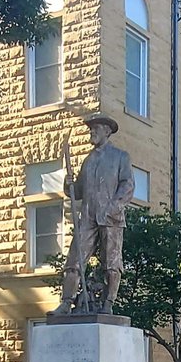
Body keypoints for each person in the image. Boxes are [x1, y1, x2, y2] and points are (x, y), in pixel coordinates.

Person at [53, 115, 134, 315]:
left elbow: (128, 185)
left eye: (96, 128)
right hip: (87, 217)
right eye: (91, 129)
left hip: (110, 218)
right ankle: (66, 302)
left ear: (107, 131)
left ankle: (108, 302)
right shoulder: (88, 161)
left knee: (112, 264)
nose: (92, 132)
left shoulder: (120, 157)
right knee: (74, 260)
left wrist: (114, 207)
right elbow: (78, 191)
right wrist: (69, 183)